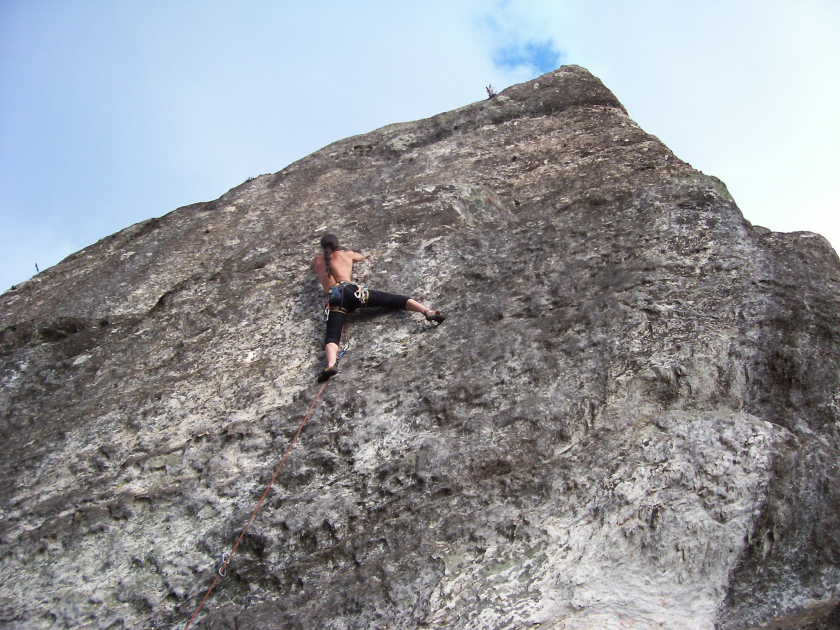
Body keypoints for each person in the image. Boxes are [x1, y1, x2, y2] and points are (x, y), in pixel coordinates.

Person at [312, 233, 446, 382]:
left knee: (332, 335)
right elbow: (360, 257)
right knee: (393, 300)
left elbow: (317, 266)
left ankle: (331, 364)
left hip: (335, 298)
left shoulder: (317, 260)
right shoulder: (346, 254)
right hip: (354, 292)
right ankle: (427, 311)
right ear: (338, 245)